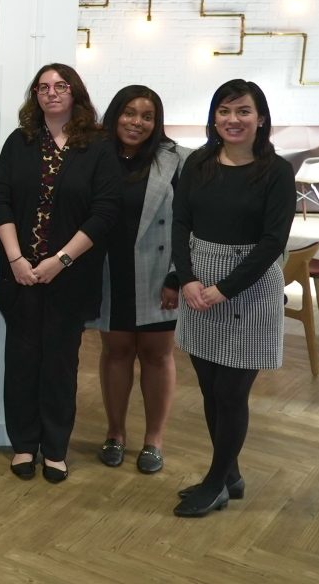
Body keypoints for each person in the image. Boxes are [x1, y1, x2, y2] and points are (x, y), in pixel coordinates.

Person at [0, 63, 119, 484]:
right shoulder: (20, 141)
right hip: (21, 273)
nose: (51, 93)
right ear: (35, 96)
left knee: (61, 364)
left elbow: (104, 213)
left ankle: (56, 448)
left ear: (74, 93)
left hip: (70, 275)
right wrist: (16, 260)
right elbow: (2, 201)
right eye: (43, 87)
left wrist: (59, 261)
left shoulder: (98, 147)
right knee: (21, 360)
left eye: (60, 86)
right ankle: (24, 444)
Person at [170, 79, 293, 518]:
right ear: (214, 117)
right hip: (197, 285)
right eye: (225, 110)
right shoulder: (199, 162)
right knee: (208, 387)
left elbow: (273, 242)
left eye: (243, 111)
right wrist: (186, 279)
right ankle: (231, 475)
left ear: (261, 118)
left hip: (248, 290)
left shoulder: (276, 172)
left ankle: (215, 481)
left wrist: (223, 289)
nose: (233, 120)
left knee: (231, 392)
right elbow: (180, 222)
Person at [91, 85, 188, 477]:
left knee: (156, 355)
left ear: (156, 122)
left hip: (158, 271)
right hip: (108, 269)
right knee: (116, 352)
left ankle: (154, 440)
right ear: (115, 115)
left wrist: (178, 277)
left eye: (147, 116)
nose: (137, 122)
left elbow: (187, 224)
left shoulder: (177, 160)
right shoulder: (95, 154)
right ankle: (115, 433)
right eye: (129, 113)